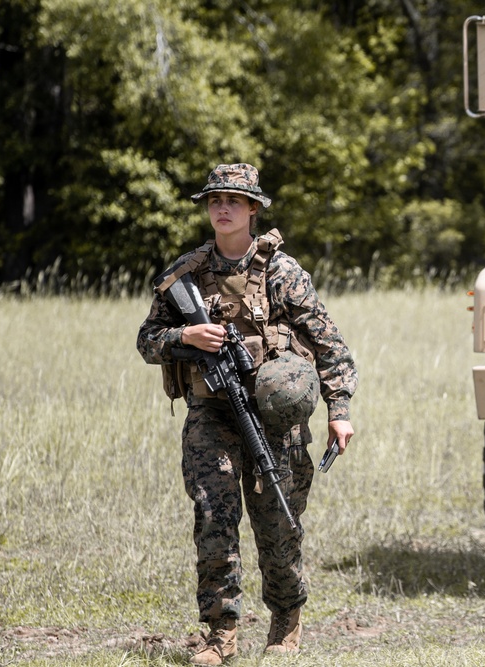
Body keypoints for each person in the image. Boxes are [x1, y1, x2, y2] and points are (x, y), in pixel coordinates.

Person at [136, 163, 357, 664]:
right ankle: (220, 634)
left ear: (253, 209)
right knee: (214, 520)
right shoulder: (186, 273)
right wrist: (184, 337)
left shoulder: (282, 272)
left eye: (234, 201)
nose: (222, 208)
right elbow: (146, 341)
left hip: (275, 422)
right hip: (211, 416)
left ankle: (285, 621)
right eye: (215, 200)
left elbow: (330, 345)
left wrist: (338, 410)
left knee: (278, 522)